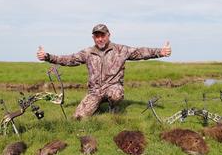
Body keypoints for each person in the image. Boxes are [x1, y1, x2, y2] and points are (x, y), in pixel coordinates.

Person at [37, 24, 172, 120]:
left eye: (102, 35)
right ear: (93, 38)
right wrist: (48, 57)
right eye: (97, 36)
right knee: (78, 118)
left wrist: (160, 52)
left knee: (116, 94)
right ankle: (96, 106)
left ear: (108, 35)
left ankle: (113, 108)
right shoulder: (88, 53)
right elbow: (69, 59)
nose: (100, 39)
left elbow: (140, 52)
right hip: (94, 91)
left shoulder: (120, 50)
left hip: (112, 88)